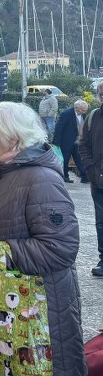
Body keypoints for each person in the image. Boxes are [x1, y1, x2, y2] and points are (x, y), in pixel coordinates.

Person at [0, 102, 86, 376]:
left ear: (12, 138)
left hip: (37, 316)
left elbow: (60, 249)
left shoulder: (42, 179)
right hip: (2, 310)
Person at [79, 81, 103, 276]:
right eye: (101, 94)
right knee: (101, 222)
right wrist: (91, 169)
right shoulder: (93, 117)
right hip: (99, 179)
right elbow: (83, 145)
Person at [54, 99, 89, 184]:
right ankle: (65, 177)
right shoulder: (66, 114)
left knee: (80, 159)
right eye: (83, 110)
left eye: (85, 110)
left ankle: (85, 177)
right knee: (65, 159)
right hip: (66, 142)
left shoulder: (84, 115)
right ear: (77, 108)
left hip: (78, 142)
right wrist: (56, 143)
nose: (84, 112)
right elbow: (59, 128)